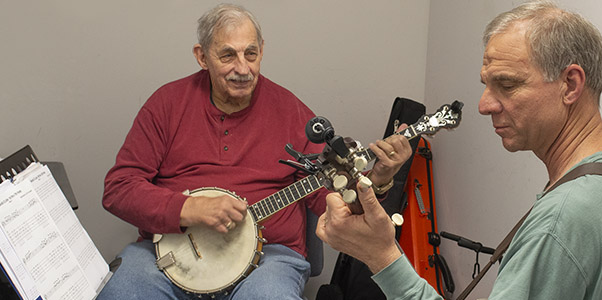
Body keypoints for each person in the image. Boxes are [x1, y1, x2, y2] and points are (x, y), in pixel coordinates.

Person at [317, 1, 602, 299]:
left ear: (570, 84)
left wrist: (380, 256)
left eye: (506, 85)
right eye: (486, 84)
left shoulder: (564, 218)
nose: (484, 105)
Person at [97, 4, 411, 300]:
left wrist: (379, 179)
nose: (243, 68)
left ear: (262, 50)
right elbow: (119, 189)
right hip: (169, 253)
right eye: (227, 55)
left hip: (269, 258)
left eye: (251, 53)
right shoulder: (166, 104)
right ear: (202, 56)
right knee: (124, 291)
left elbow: (332, 202)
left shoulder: (290, 111)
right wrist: (189, 209)